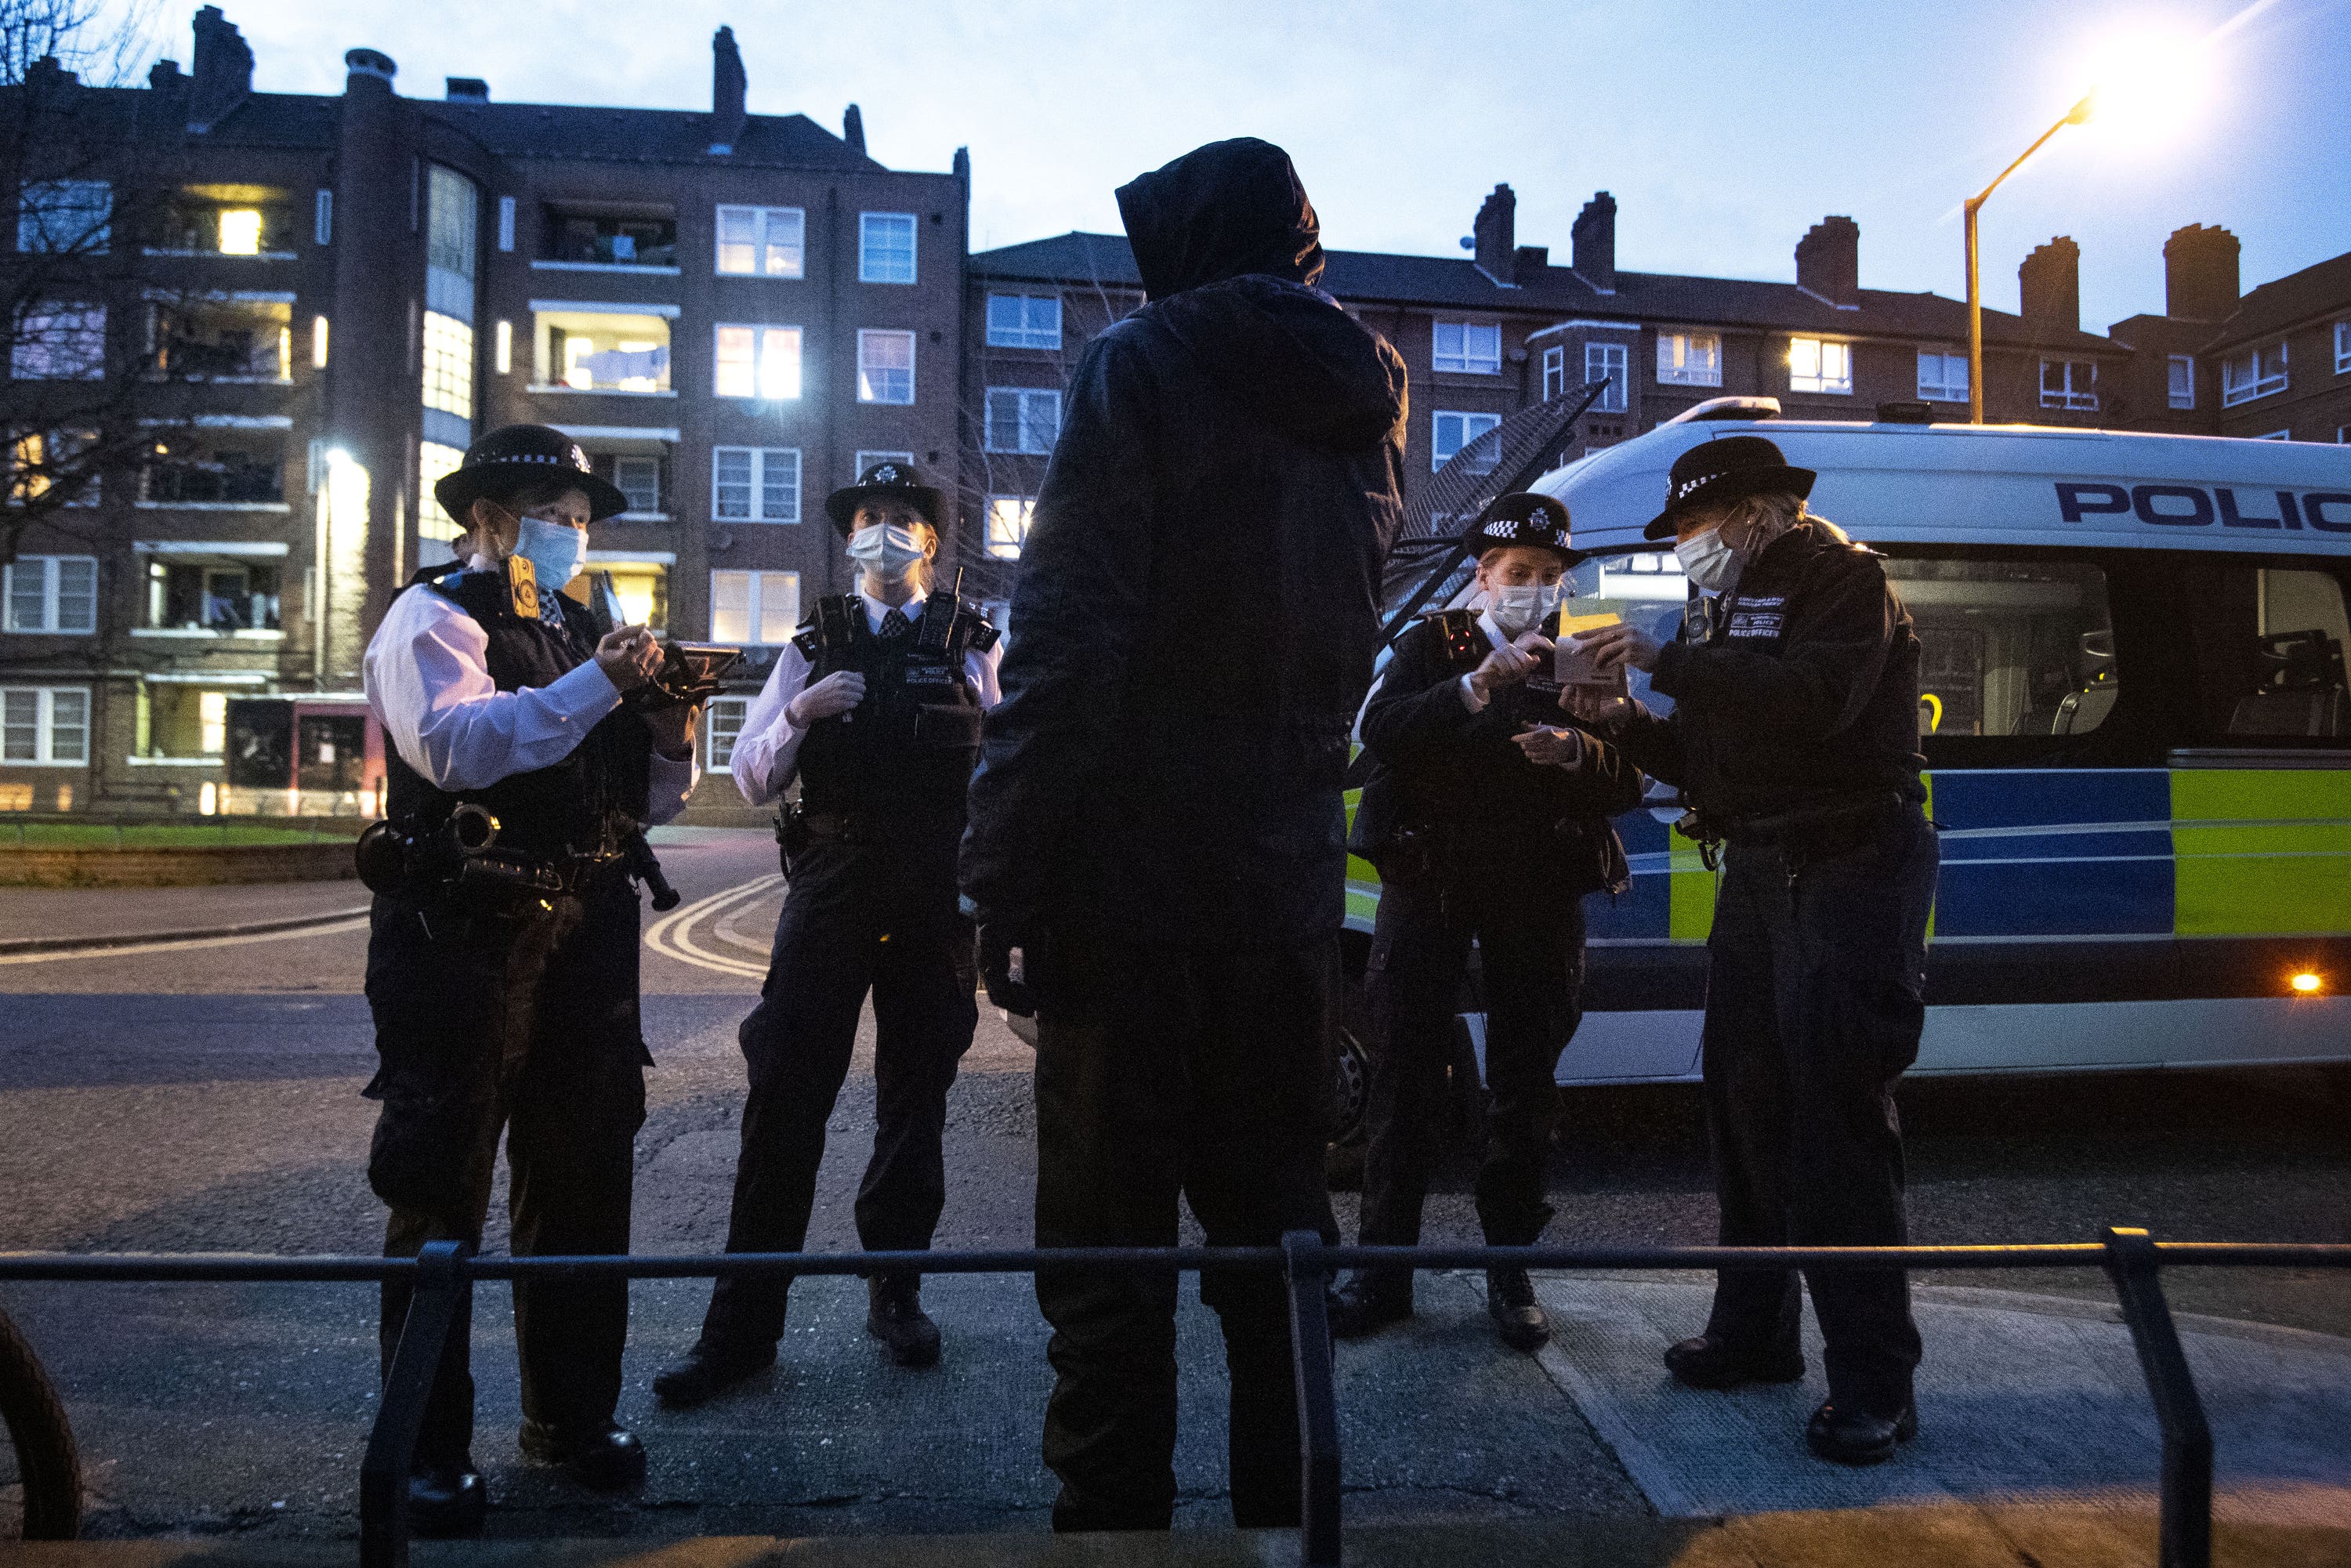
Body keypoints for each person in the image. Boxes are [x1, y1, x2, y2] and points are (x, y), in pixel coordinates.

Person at [959, 136, 1407, 1534]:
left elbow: (1070, 638)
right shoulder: (1364, 397)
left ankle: (1114, 1529)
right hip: (1280, 881)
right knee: (1277, 1234)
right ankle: (1288, 1522)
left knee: (1106, 1248)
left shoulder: (1139, 368)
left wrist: (1004, 869)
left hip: (1129, 884)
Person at [1570, 434, 1939, 1466]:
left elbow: (1819, 702)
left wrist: (1665, 659)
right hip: (1763, 868)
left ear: (1755, 512)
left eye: (1691, 527)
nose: (1686, 548)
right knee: (1746, 1107)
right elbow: (1706, 750)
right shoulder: (1719, 607)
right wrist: (1623, 720)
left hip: (1849, 864)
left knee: (1837, 1122)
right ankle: (1755, 1333)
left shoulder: (1843, 580)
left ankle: (1874, 1384)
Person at [359, 424, 701, 1534]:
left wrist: (666, 726)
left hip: (588, 932)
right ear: (490, 517)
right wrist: (597, 691)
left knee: (585, 1174)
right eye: (552, 511)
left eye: (583, 516)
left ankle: (571, 1416)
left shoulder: (587, 632)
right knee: (440, 1179)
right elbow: (457, 747)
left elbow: (647, 806)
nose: (571, 533)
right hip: (462, 930)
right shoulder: (433, 615)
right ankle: (423, 1446)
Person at [653, 461, 1002, 1407]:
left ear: (929, 541)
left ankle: (897, 1294)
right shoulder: (815, 640)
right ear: (850, 538)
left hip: (934, 887)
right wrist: (802, 711)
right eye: (867, 518)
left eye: (900, 519)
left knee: (914, 1094)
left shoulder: (972, 642)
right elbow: (753, 773)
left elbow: (1007, 767)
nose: (882, 531)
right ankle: (741, 1330)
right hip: (835, 878)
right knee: (786, 1093)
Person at [1332, 493, 1644, 1351]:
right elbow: (1383, 733)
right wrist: (1475, 688)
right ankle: (1381, 1273)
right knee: (1403, 1076)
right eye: (1519, 574)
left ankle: (1510, 1272)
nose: (1536, 589)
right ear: (1483, 576)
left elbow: (1629, 781)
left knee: (1524, 1085)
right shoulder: (1436, 643)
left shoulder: (1584, 651)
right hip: (1429, 881)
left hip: (1538, 888)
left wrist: (1582, 749)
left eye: (1550, 576)